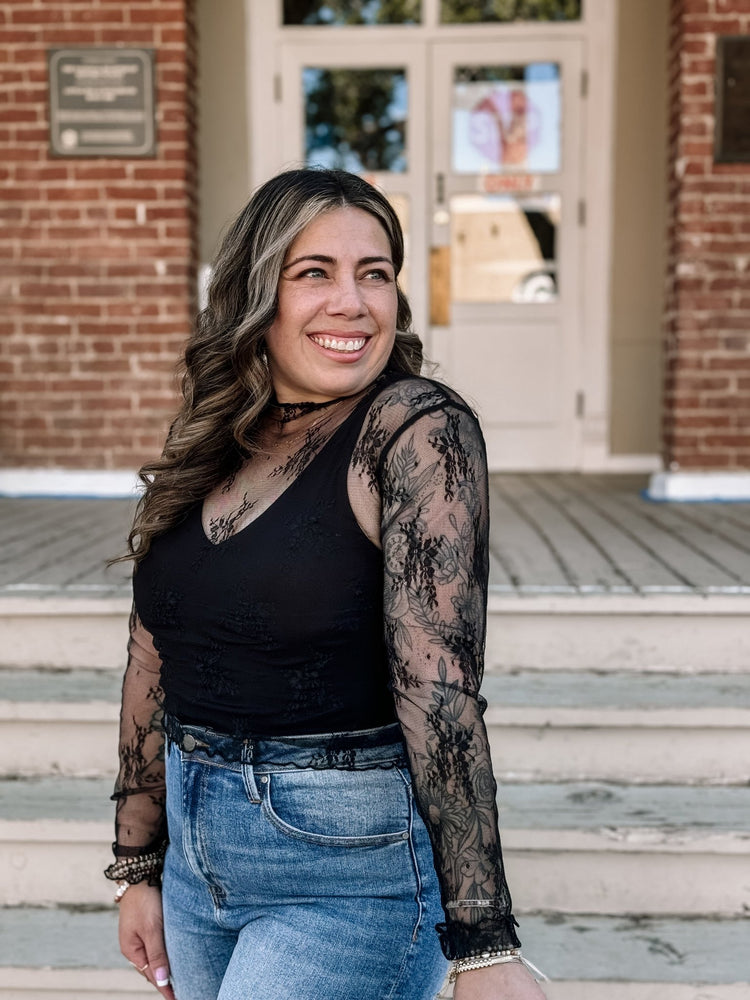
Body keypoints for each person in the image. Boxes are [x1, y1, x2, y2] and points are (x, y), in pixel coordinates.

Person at [105, 167, 547, 1000]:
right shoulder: (218, 438)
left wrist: (483, 942)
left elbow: (441, 690)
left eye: (374, 274)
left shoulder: (416, 430)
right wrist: (139, 863)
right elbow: (151, 656)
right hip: (201, 863)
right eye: (315, 274)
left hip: (350, 871)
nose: (354, 302)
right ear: (254, 295)